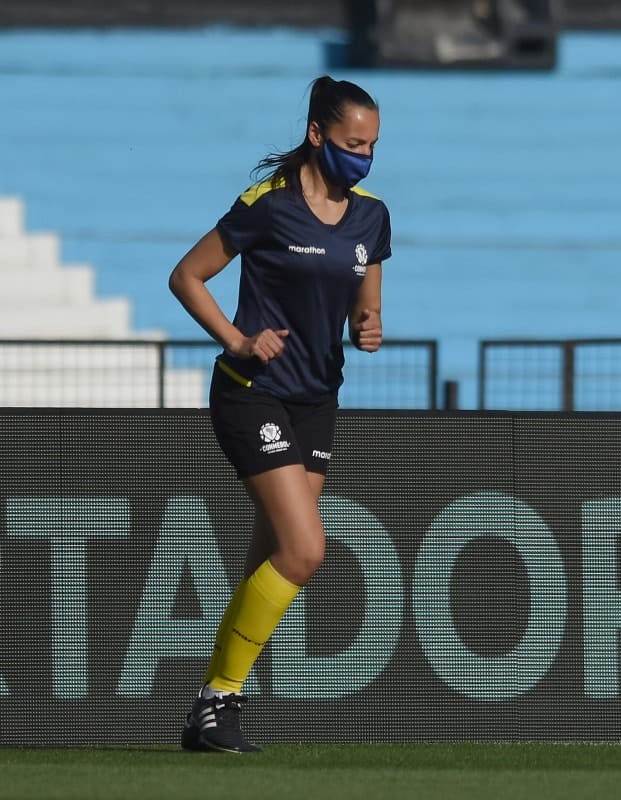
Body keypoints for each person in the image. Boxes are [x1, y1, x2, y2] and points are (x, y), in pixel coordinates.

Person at [168, 75, 391, 753]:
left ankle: (215, 709)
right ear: (319, 135)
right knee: (305, 550)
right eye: (354, 143)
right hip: (252, 390)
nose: (364, 156)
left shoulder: (372, 216)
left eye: (374, 145)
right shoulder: (269, 205)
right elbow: (186, 276)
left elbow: (366, 300)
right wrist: (237, 339)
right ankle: (218, 700)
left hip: (317, 400)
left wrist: (368, 324)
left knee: (271, 554)